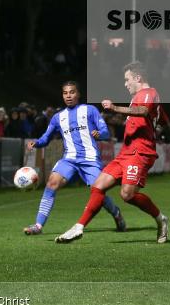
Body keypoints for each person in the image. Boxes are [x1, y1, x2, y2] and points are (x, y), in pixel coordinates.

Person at [55, 62, 170, 244]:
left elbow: (142, 111)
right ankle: (78, 227)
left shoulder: (148, 94)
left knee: (127, 195)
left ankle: (161, 219)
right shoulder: (143, 97)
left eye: (127, 79)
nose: (125, 83)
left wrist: (115, 108)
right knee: (98, 185)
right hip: (125, 153)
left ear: (138, 78)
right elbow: (167, 124)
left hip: (140, 153)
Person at [23, 81, 125, 236]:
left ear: (78, 94)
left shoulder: (90, 110)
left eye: (72, 92)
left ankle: (116, 212)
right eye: (65, 93)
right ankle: (38, 226)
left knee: (98, 191)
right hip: (69, 159)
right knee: (51, 183)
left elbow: (105, 131)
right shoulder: (58, 117)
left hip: (90, 159)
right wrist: (36, 143)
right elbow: (45, 138)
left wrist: (100, 134)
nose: (68, 95)